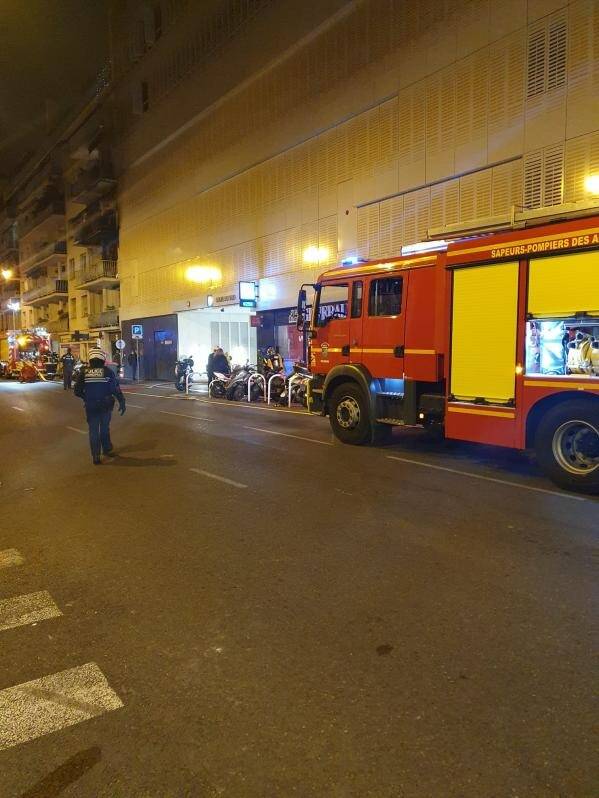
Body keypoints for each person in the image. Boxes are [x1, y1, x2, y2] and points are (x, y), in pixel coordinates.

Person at [74, 347, 126, 465]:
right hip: (106, 405)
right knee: (104, 428)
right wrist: (122, 402)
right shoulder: (108, 372)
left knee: (93, 431)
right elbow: (115, 389)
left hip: (91, 406)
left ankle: (96, 456)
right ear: (102, 358)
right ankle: (106, 449)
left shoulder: (84, 372)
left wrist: (86, 397)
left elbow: (77, 391)